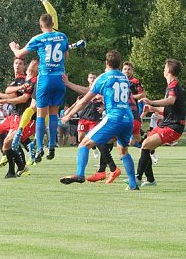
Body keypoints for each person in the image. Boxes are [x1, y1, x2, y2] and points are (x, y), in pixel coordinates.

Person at [58, 50, 139, 189]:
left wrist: (68, 115)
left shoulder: (103, 78)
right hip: (128, 118)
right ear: (119, 64)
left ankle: (79, 174)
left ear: (106, 63)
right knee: (123, 151)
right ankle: (133, 184)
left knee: (83, 144)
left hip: (114, 117)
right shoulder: (124, 78)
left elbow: (84, 100)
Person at [9, 12, 69, 161]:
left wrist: (13, 48)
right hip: (60, 78)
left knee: (41, 114)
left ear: (41, 25)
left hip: (45, 78)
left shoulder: (39, 38)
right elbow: (66, 55)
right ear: (52, 24)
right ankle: (52, 146)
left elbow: (20, 54)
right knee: (54, 113)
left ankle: (40, 147)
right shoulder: (62, 36)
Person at [136, 58, 186, 187]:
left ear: (168, 70)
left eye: (165, 68)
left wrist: (151, 101)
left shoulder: (173, 85)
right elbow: (167, 108)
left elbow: (170, 100)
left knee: (146, 144)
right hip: (166, 123)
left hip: (173, 126)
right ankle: (151, 180)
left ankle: (137, 178)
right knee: (145, 145)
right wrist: (152, 108)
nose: (163, 70)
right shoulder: (171, 86)